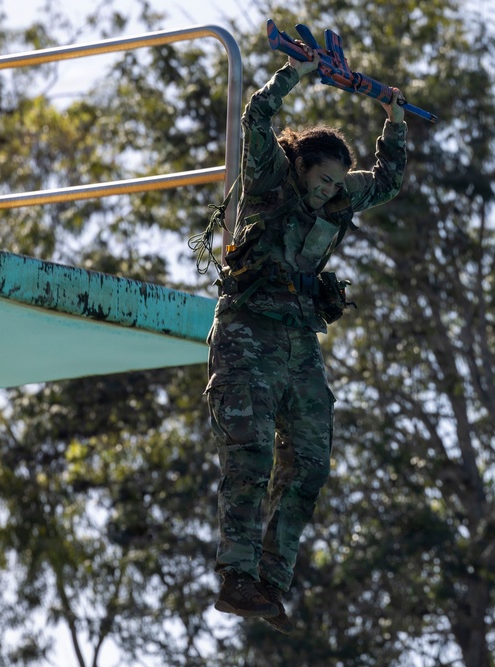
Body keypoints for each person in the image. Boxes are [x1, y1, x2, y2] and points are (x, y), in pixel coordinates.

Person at [204, 40, 407, 635]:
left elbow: (389, 180)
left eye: (335, 183)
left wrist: (394, 122)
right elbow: (255, 118)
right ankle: (236, 574)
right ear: (300, 168)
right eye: (319, 179)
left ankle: (271, 582)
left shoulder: (340, 198)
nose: (326, 192)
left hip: (298, 344)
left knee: (311, 463)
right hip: (246, 334)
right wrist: (291, 77)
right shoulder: (271, 180)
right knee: (252, 452)